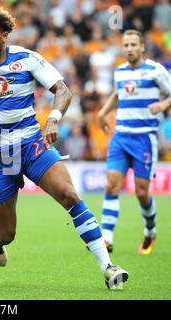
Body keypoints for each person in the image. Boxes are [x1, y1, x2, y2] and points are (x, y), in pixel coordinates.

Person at [0, 5, 128, 289]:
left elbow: (63, 91)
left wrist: (53, 118)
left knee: (69, 195)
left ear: (5, 35)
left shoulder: (28, 60)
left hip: (31, 145)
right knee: (7, 235)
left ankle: (108, 267)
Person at [98, 29, 171, 255]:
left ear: (142, 47)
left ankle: (150, 230)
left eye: (133, 45)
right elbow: (119, 94)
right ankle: (106, 238)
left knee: (141, 193)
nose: (129, 48)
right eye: (126, 45)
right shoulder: (119, 72)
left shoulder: (155, 71)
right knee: (111, 185)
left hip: (144, 139)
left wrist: (163, 105)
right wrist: (103, 113)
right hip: (121, 137)